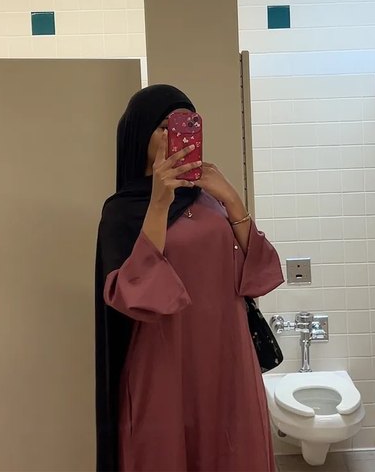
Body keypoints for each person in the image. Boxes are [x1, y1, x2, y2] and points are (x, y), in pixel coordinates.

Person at [95, 84, 284, 472]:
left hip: (228, 356)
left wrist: (233, 201)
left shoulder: (209, 199)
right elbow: (132, 292)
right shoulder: (122, 212)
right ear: (139, 135)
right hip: (165, 360)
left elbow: (257, 273)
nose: (175, 136)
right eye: (163, 127)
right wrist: (159, 202)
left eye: (185, 124)